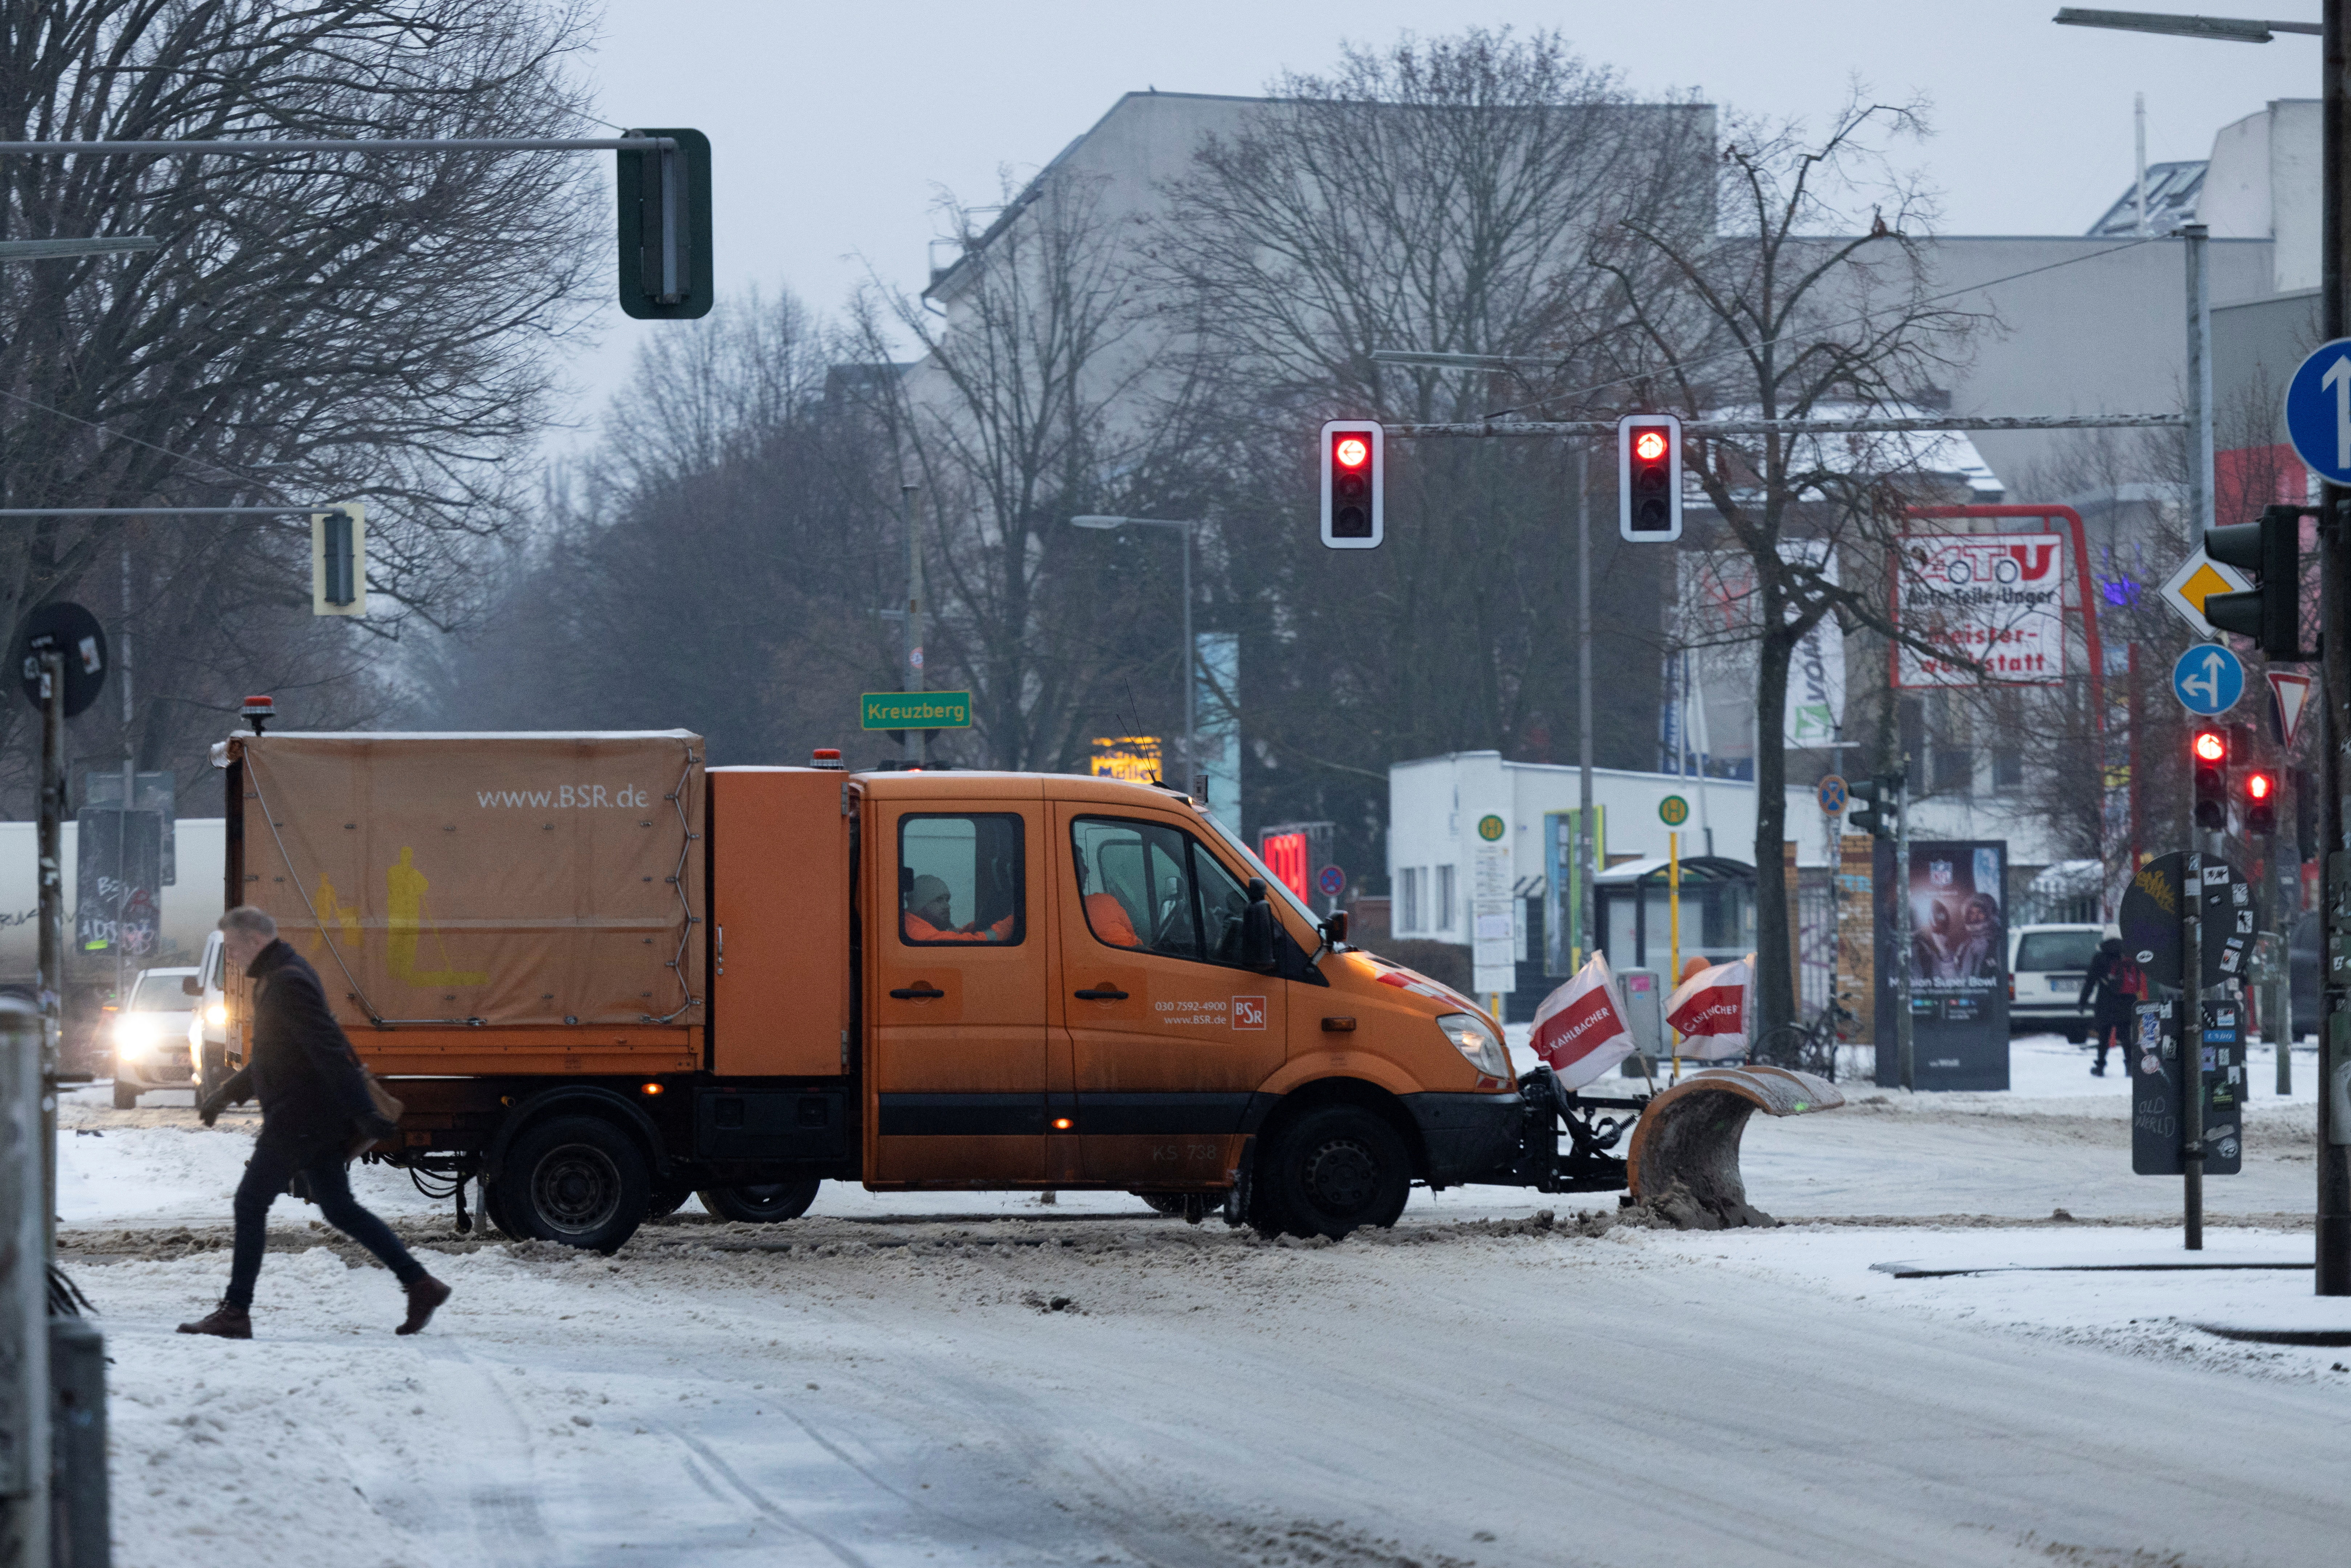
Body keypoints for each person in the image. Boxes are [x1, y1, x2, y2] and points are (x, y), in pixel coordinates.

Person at [177, 907, 451, 1339]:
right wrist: (226, 1094)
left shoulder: (287, 981)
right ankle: (421, 1284)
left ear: (253, 942)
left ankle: (236, 1311)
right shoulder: (281, 975)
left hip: (299, 1118)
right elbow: (274, 1054)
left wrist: (365, 1111)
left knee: (250, 1204)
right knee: (339, 1208)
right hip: (307, 1115)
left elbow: (328, 1048)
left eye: (231, 949)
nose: (230, 958)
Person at [2078, 933, 2143, 1077]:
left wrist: (2083, 1002)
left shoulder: (2100, 957)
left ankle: (2100, 1066)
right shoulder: (2128, 955)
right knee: (2126, 1035)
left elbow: (2090, 982)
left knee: (2104, 1035)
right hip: (2127, 1001)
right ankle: (2130, 1066)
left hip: (2105, 1002)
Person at [901, 874, 1014, 942]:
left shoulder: (912, 923)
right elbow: (975, 943)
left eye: (947, 900)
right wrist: (1011, 923)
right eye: (939, 900)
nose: (947, 906)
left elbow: (956, 935)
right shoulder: (920, 934)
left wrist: (977, 925)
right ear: (920, 906)